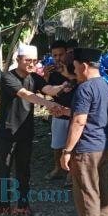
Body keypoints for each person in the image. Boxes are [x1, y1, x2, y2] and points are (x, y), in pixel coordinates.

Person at [0, 44, 64, 216]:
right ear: (18, 59)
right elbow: (25, 94)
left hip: (26, 132)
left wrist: (65, 85)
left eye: (34, 61)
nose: (31, 64)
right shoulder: (7, 77)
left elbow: (49, 89)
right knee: (4, 171)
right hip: (7, 132)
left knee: (24, 171)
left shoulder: (35, 77)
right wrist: (48, 104)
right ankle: (4, 208)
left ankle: (23, 206)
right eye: (27, 60)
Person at [58, 47, 108, 216]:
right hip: (104, 144)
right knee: (101, 188)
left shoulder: (85, 88)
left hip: (87, 147)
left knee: (86, 191)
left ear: (83, 66)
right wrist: (67, 111)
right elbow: (94, 113)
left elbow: (80, 121)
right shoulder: (105, 85)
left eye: (74, 67)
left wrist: (67, 151)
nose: (74, 71)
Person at [42, 40, 77, 180]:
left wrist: (68, 75)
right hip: (58, 112)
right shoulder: (52, 71)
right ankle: (58, 168)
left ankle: (72, 173)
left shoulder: (76, 68)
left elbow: (82, 84)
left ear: (67, 53)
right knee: (57, 144)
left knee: (74, 144)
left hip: (75, 112)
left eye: (60, 54)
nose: (57, 58)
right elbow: (47, 92)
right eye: (54, 55)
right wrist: (45, 77)